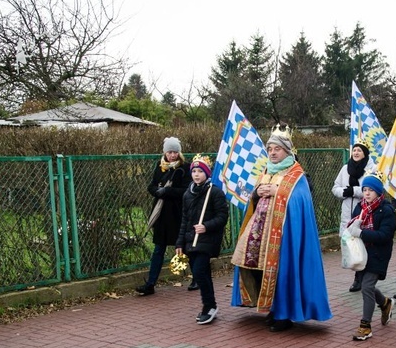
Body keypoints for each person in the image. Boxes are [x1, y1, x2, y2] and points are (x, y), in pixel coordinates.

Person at [231, 124, 332, 331]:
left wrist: (278, 190)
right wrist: (258, 193)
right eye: (270, 149)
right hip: (260, 234)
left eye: (277, 149)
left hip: (285, 235)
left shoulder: (296, 174)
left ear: (287, 151)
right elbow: (254, 197)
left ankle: (285, 314)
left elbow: (301, 200)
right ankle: (273, 308)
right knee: (256, 267)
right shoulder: (266, 170)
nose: (273, 153)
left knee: (283, 272)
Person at [175, 155, 229, 324]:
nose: (196, 175)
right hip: (192, 240)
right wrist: (180, 242)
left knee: (199, 271)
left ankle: (210, 306)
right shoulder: (188, 194)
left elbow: (222, 217)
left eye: (200, 171)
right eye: (194, 171)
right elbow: (184, 220)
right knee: (200, 274)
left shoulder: (214, 192)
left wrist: (206, 226)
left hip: (207, 239)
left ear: (207, 173)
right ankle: (210, 305)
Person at [137, 136, 192, 296]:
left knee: (185, 248)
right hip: (161, 215)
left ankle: (197, 278)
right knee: (159, 248)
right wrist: (156, 191)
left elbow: (186, 190)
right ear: (165, 152)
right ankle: (150, 283)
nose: (172, 155)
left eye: (175, 152)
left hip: (177, 214)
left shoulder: (184, 168)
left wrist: (167, 191)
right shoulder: (160, 167)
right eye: (169, 152)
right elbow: (151, 185)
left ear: (179, 153)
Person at [346, 171, 396, 341]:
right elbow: (353, 226)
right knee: (365, 284)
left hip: (378, 254)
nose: (366, 193)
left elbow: (384, 235)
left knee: (366, 287)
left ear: (379, 192)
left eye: (371, 190)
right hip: (361, 253)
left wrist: (362, 232)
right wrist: (352, 228)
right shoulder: (360, 206)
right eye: (365, 189)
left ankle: (365, 326)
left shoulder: (386, 209)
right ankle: (385, 303)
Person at [332, 139, 374, 292]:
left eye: (359, 151)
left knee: (363, 244)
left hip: (364, 211)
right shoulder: (345, 168)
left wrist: (354, 191)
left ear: (365, 154)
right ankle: (357, 275)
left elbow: (372, 187)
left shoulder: (371, 168)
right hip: (347, 212)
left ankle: (362, 278)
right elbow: (335, 187)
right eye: (354, 150)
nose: (356, 153)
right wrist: (344, 192)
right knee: (352, 245)